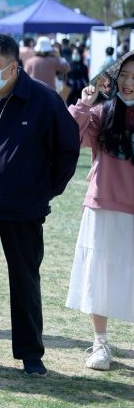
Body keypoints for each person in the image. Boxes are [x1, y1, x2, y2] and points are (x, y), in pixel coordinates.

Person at [0, 33, 80, 377]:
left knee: (24, 280)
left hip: (23, 209)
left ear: (13, 64)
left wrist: (45, 190)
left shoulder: (43, 100)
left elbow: (67, 150)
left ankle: (30, 353)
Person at [65, 53, 134, 371]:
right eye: (125, 75)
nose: (130, 83)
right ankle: (101, 344)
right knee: (99, 276)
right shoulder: (103, 113)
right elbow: (70, 135)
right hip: (103, 204)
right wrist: (83, 103)